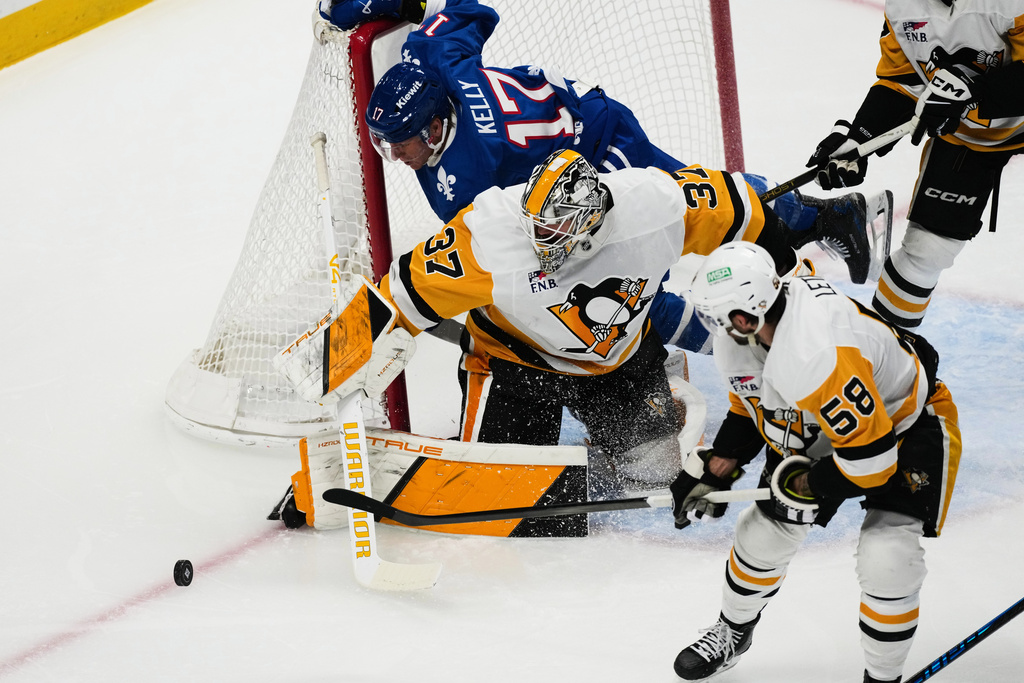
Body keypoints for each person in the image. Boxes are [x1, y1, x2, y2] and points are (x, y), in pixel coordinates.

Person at [317, 0, 890, 325]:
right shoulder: (432, 57)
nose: (394, 157)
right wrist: (401, 4)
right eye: (384, 144)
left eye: (400, 144)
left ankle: (823, 220)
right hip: (574, 125)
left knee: (662, 226)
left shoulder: (474, 173)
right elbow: (463, 7)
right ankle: (818, 220)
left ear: (435, 127)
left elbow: (519, 252)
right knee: (667, 218)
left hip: (598, 148)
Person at [668, 242, 962, 683]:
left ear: (745, 317)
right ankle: (734, 631)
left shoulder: (818, 352)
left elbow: (872, 462)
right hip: (832, 422)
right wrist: (716, 468)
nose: (713, 328)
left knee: (887, 558)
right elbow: (750, 405)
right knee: (763, 534)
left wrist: (806, 484)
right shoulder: (756, 330)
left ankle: (883, 679)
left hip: (905, 422)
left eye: (716, 318)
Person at [806, 0, 1024, 327]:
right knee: (926, 251)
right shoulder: (902, 6)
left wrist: (975, 91)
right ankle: (890, 350)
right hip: (968, 139)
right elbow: (903, 82)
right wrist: (860, 137)